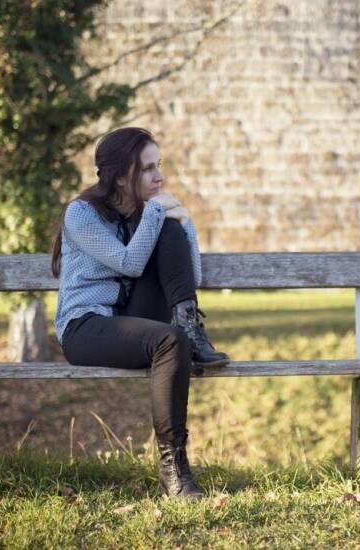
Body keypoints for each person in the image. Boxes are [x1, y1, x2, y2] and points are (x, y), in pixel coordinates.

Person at [51, 127, 230, 500]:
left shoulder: (145, 217)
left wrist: (184, 223)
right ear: (119, 175)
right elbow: (130, 264)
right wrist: (159, 212)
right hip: (85, 326)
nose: (159, 176)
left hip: (126, 317)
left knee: (175, 325)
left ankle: (189, 327)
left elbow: (188, 276)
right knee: (169, 341)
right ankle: (174, 469)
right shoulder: (80, 214)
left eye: (158, 166)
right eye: (148, 169)